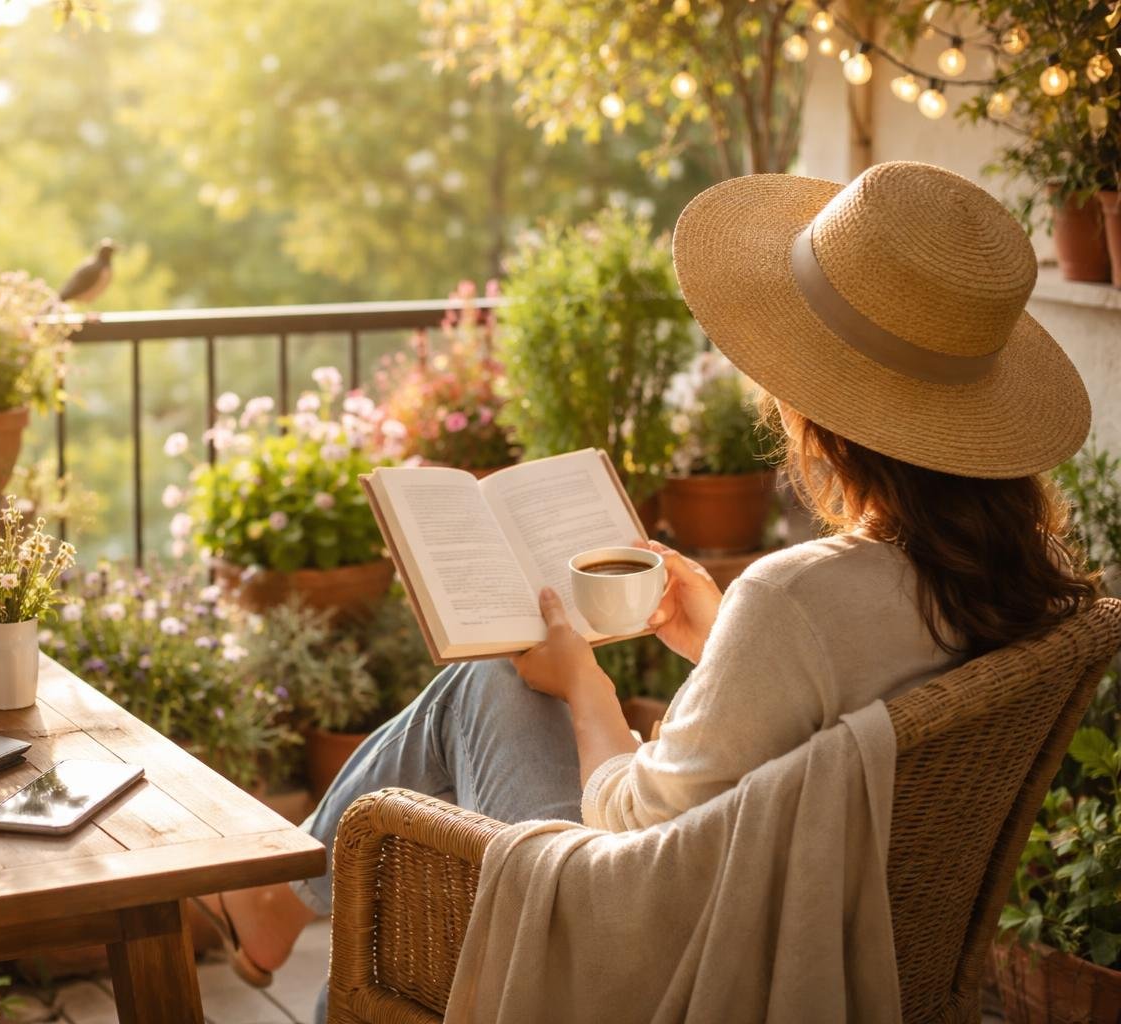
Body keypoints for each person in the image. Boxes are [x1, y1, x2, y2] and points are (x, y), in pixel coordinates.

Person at [192, 161, 1102, 1009]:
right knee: (499, 684)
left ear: (820, 417)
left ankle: (281, 900)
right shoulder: (1023, 591)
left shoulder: (796, 597)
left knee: (488, 684)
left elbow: (629, 816)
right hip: (848, 927)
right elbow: (838, 717)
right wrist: (717, 644)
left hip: (660, 955)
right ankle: (278, 901)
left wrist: (585, 684)